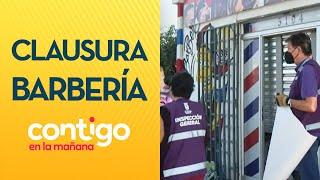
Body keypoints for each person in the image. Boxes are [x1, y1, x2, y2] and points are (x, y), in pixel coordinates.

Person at [275, 32, 320, 180]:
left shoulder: (307, 70)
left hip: (309, 133)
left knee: (309, 175)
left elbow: (311, 105)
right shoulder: (307, 68)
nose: (287, 53)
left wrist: (287, 101)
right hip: (307, 130)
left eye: (289, 48)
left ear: (298, 50)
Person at [160, 72, 207, 180]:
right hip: (198, 171)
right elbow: (204, 139)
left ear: (171, 89)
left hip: (173, 173)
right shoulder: (199, 109)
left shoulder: (166, 111)